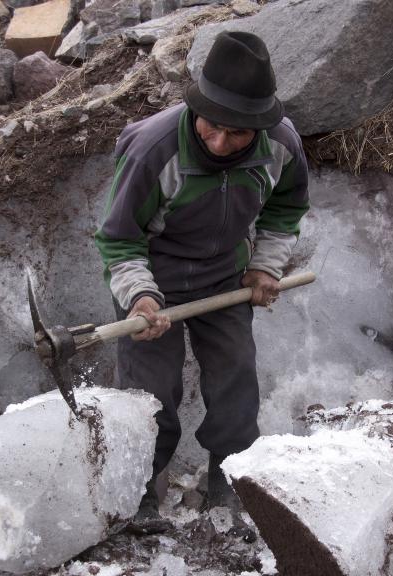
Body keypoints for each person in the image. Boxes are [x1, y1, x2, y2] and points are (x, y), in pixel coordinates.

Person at [94, 31, 310, 534]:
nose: (220, 142)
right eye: (212, 126)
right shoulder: (155, 148)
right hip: (155, 275)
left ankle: (229, 484)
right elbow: (119, 238)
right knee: (149, 396)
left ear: (259, 126)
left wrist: (264, 267)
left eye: (237, 135)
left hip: (224, 277)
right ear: (196, 109)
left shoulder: (281, 144)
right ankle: (140, 493)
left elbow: (285, 210)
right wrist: (139, 297)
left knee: (236, 381)